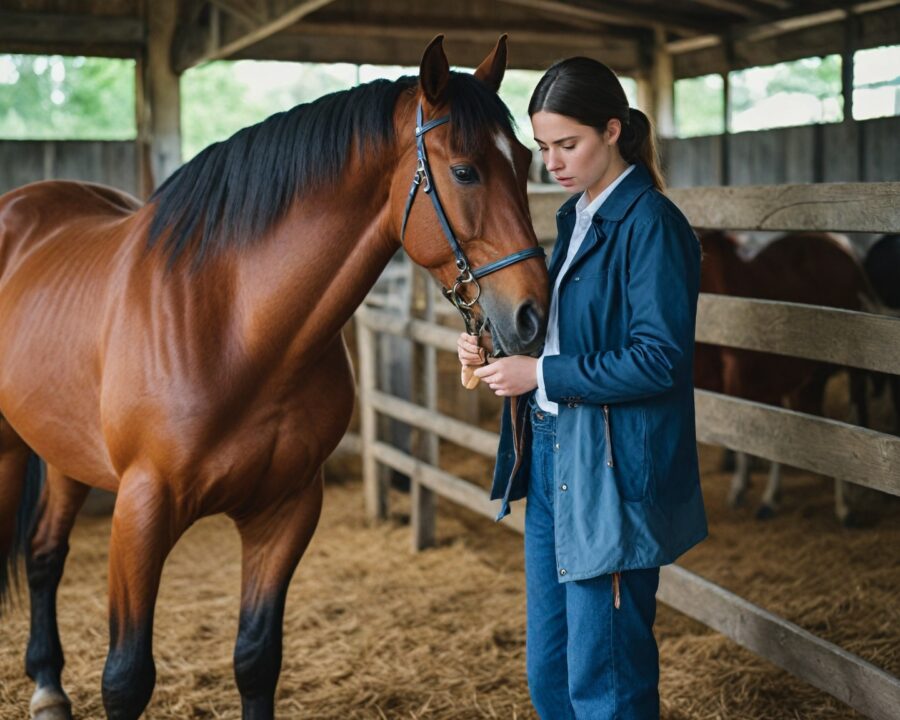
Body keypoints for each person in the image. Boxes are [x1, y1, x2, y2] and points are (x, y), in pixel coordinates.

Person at [457, 57, 708, 719]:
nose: (553, 162)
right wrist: (500, 350)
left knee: (608, 679)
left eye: (568, 145)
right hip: (552, 457)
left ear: (614, 130)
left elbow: (658, 361)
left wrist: (540, 374)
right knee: (552, 672)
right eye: (543, 148)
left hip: (611, 468)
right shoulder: (575, 219)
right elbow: (568, 335)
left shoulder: (651, 225)